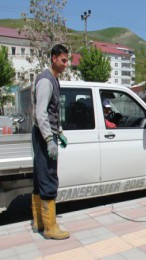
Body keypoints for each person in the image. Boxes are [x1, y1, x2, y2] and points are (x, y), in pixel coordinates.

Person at [31, 44, 70, 239]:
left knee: (40, 177)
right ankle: (50, 228)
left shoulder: (54, 80)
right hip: (42, 134)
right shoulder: (46, 80)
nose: (66, 64)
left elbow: (54, 111)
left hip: (46, 133)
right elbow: (41, 113)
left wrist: (59, 132)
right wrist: (49, 139)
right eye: (63, 60)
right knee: (48, 177)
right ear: (54, 58)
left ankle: (39, 222)